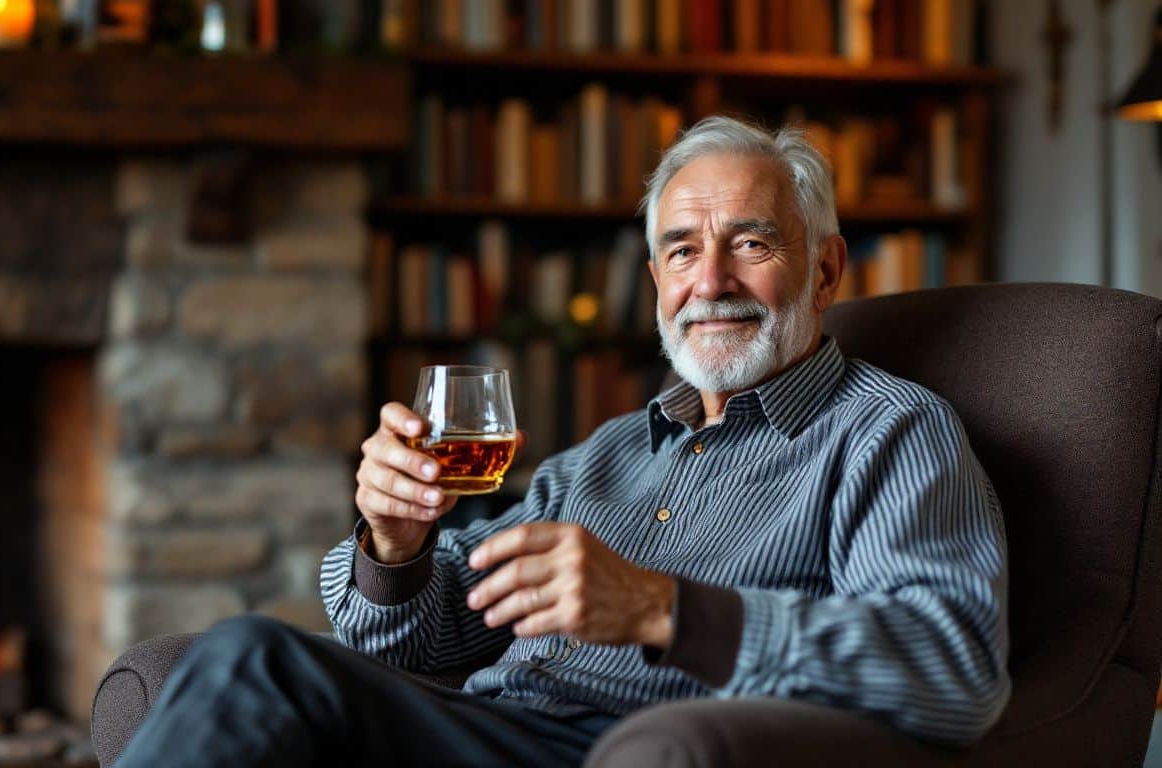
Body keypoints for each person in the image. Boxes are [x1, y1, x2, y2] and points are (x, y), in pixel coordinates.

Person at [113, 116, 1011, 768]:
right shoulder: (611, 453)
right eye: (682, 251)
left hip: (629, 747)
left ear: (824, 268)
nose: (712, 280)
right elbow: (418, 646)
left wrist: (665, 610)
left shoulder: (890, 431)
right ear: (656, 277)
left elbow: (952, 666)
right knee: (254, 656)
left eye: (751, 242)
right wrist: (396, 545)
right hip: (489, 728)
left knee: (252, 662)